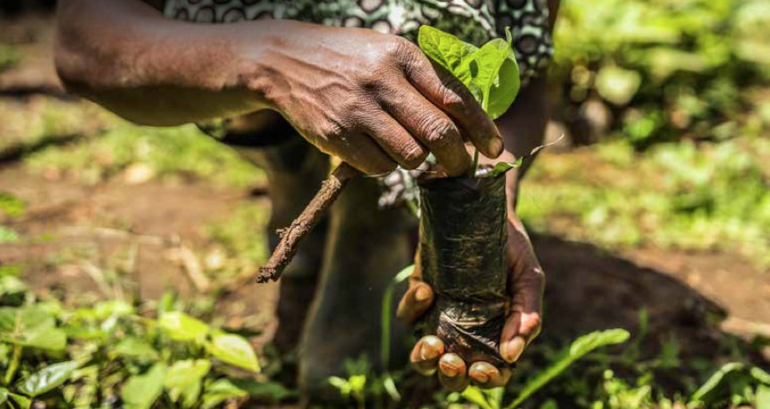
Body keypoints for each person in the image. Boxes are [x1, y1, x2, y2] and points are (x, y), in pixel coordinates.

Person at [54, 0, 558, 401]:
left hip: (419, 148)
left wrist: (490, 206)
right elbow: (83, 42)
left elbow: (529, 70)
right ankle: (291, 162)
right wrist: (273, 60)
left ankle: (373, 213)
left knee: (336, 375)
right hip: (238, 62)